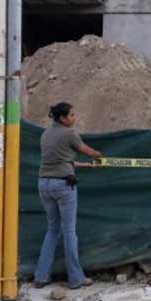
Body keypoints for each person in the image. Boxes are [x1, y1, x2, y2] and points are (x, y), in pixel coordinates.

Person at [33, 102, 102, 289]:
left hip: (44, 184)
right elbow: (87, 151)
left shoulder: (46, 134)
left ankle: (40, 276)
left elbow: (62, 160)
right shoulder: (69, 133)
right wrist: (98, 157)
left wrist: (85, 166)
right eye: (71, 115)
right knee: (69, 231)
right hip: (63, 185)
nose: (74, 118)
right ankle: (76, 279)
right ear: (62, 118)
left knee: (52, 230)